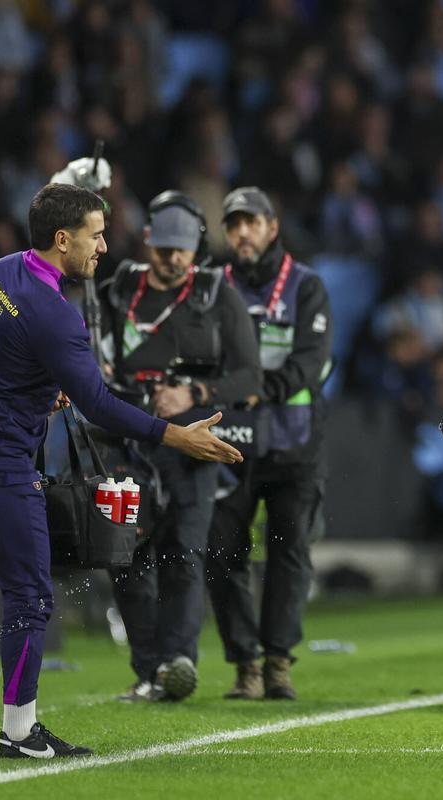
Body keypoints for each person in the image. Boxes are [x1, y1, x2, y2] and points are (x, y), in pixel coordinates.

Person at [0, 183, 242, 759]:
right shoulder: (55, 316)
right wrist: (175, 434)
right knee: (30, 596)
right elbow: (100, 405)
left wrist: (34, 388)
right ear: (64, 239)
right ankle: (20, 732)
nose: (104, 246)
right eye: (96, 234)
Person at [100, 191, 260, 702]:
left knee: (184, 553)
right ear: (148, 240)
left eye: (181, 250)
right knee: (122, 555)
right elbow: (83, 330)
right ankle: (147, 669)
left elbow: (249, 374)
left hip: (194, 443)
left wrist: (192, 392)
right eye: (163, 247)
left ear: (198, 249)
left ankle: (176, 662)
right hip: (123, 436)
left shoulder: (216, 294)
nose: (171, 258)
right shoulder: (119, 288)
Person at [206, 186, 332, 701]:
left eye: (250, 223)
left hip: (292, 444)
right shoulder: (212, 287)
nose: (241, 233)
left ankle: (278, 661)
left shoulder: (305, 287)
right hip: (229, 442)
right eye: (233, 224)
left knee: (289, 552)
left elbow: (312, 362)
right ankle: (245, 665)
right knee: (221, 552)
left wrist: (253, 390)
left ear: (271, 228)